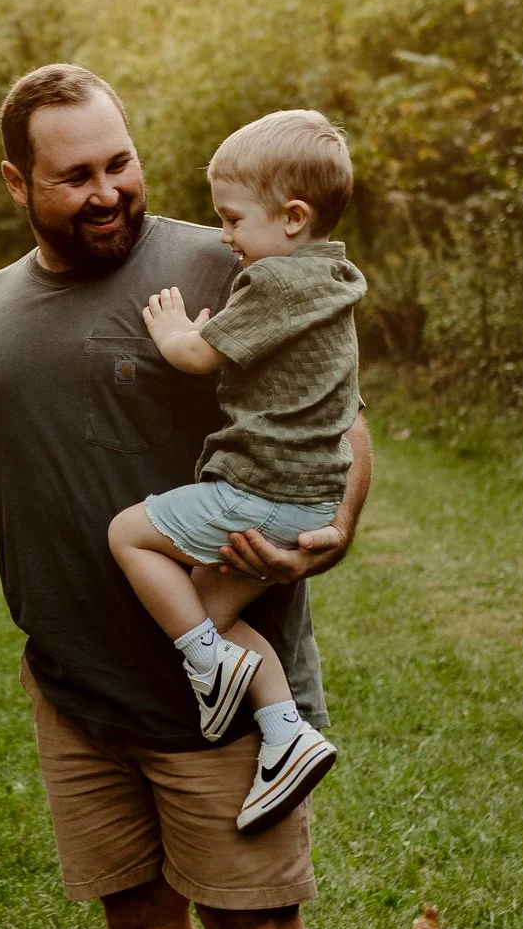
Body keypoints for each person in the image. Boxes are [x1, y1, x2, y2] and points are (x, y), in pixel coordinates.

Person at [0, 65, 370, 929]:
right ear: (17, 181)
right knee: (135, 917)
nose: (108, 191)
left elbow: (341, 426)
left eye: (120, 161)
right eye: (76, 172)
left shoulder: (230, 258)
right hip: (78, 686)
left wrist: (337, 527)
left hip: (220, 696)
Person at [109, 109, 366, 832]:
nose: (224, 237)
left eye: (232, 220)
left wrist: (170, 328)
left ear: (291, 218)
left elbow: (196, 356)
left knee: (128, 534)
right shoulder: (332, 278)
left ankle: (208, 667)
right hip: (307, 499)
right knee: (209, 614)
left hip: (261, 488)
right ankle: (286, 735)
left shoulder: (274, 281)